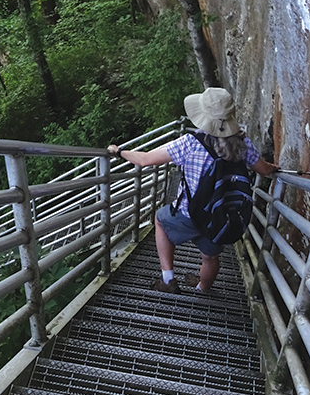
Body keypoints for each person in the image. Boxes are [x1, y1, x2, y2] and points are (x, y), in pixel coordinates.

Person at [108, 87, 279, 294]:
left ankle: (168, 279)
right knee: (211, 257)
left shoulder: (191, 143)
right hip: (220, 217)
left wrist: (119, 152)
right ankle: (201, 289)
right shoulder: (243, 144)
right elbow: (263, 169)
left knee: (160, 221)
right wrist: (273, 167)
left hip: (189, 213)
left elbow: (145, 160)